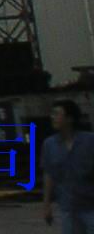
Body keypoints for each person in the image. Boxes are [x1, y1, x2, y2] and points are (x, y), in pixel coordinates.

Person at [45, 99, 94, 231]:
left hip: (90, 206)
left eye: (57, 114)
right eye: (52, 114)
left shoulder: (90, 141)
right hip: (68, 208)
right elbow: (49, 175)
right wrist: (47, 205)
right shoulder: (49, 145)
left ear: (69, 118)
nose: (53, 117)